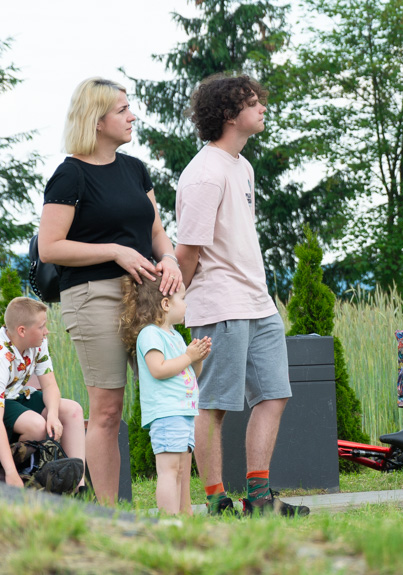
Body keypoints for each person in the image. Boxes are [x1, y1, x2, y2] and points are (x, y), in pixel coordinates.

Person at [38, 77, 182, 504]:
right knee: (106, 412)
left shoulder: (136, 169)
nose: (132, 115)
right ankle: (112, 512)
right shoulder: (70, 175)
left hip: (146, 297)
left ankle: (176, 503)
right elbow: (50, 247)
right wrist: (115, 251)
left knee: (170, 396)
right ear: (96, 121)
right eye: (122, 110)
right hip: (92, 296)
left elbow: (156, 230)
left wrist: (170, 259)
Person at [175, 74, 308, 517]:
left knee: (274, 394)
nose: (263, 108)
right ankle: (215, 499)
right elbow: (187, 251)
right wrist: (182, 304)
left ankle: (259, 498)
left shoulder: (242, 166)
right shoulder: (203, 174)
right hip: (219, 305)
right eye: (254, 103)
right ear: (230, 114)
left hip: (258, 302)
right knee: (214, 406)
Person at [119, 277, 210, 515]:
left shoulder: (175, 336)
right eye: (183, 298)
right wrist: (188, 357)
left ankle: (184, 515)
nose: (186, 304)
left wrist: (196, 359)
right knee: (170, 470)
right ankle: (169, 520)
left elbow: (190, 372)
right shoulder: (150, 334)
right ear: (166, 304)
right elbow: (158, 369)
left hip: (183, 411)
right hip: (167, 412)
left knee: (182, 470)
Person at [0, 298, 86, 491]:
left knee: (73, 410)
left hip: (20, 396)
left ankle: (79, 488)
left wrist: (53, 415)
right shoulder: (1, 355)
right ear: (22, 330)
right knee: (37, 425)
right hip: (4, 402)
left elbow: (49, 386)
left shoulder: (39, 342)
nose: (47, 331)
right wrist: (10, 471)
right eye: (42, 326)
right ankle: (20, 474)